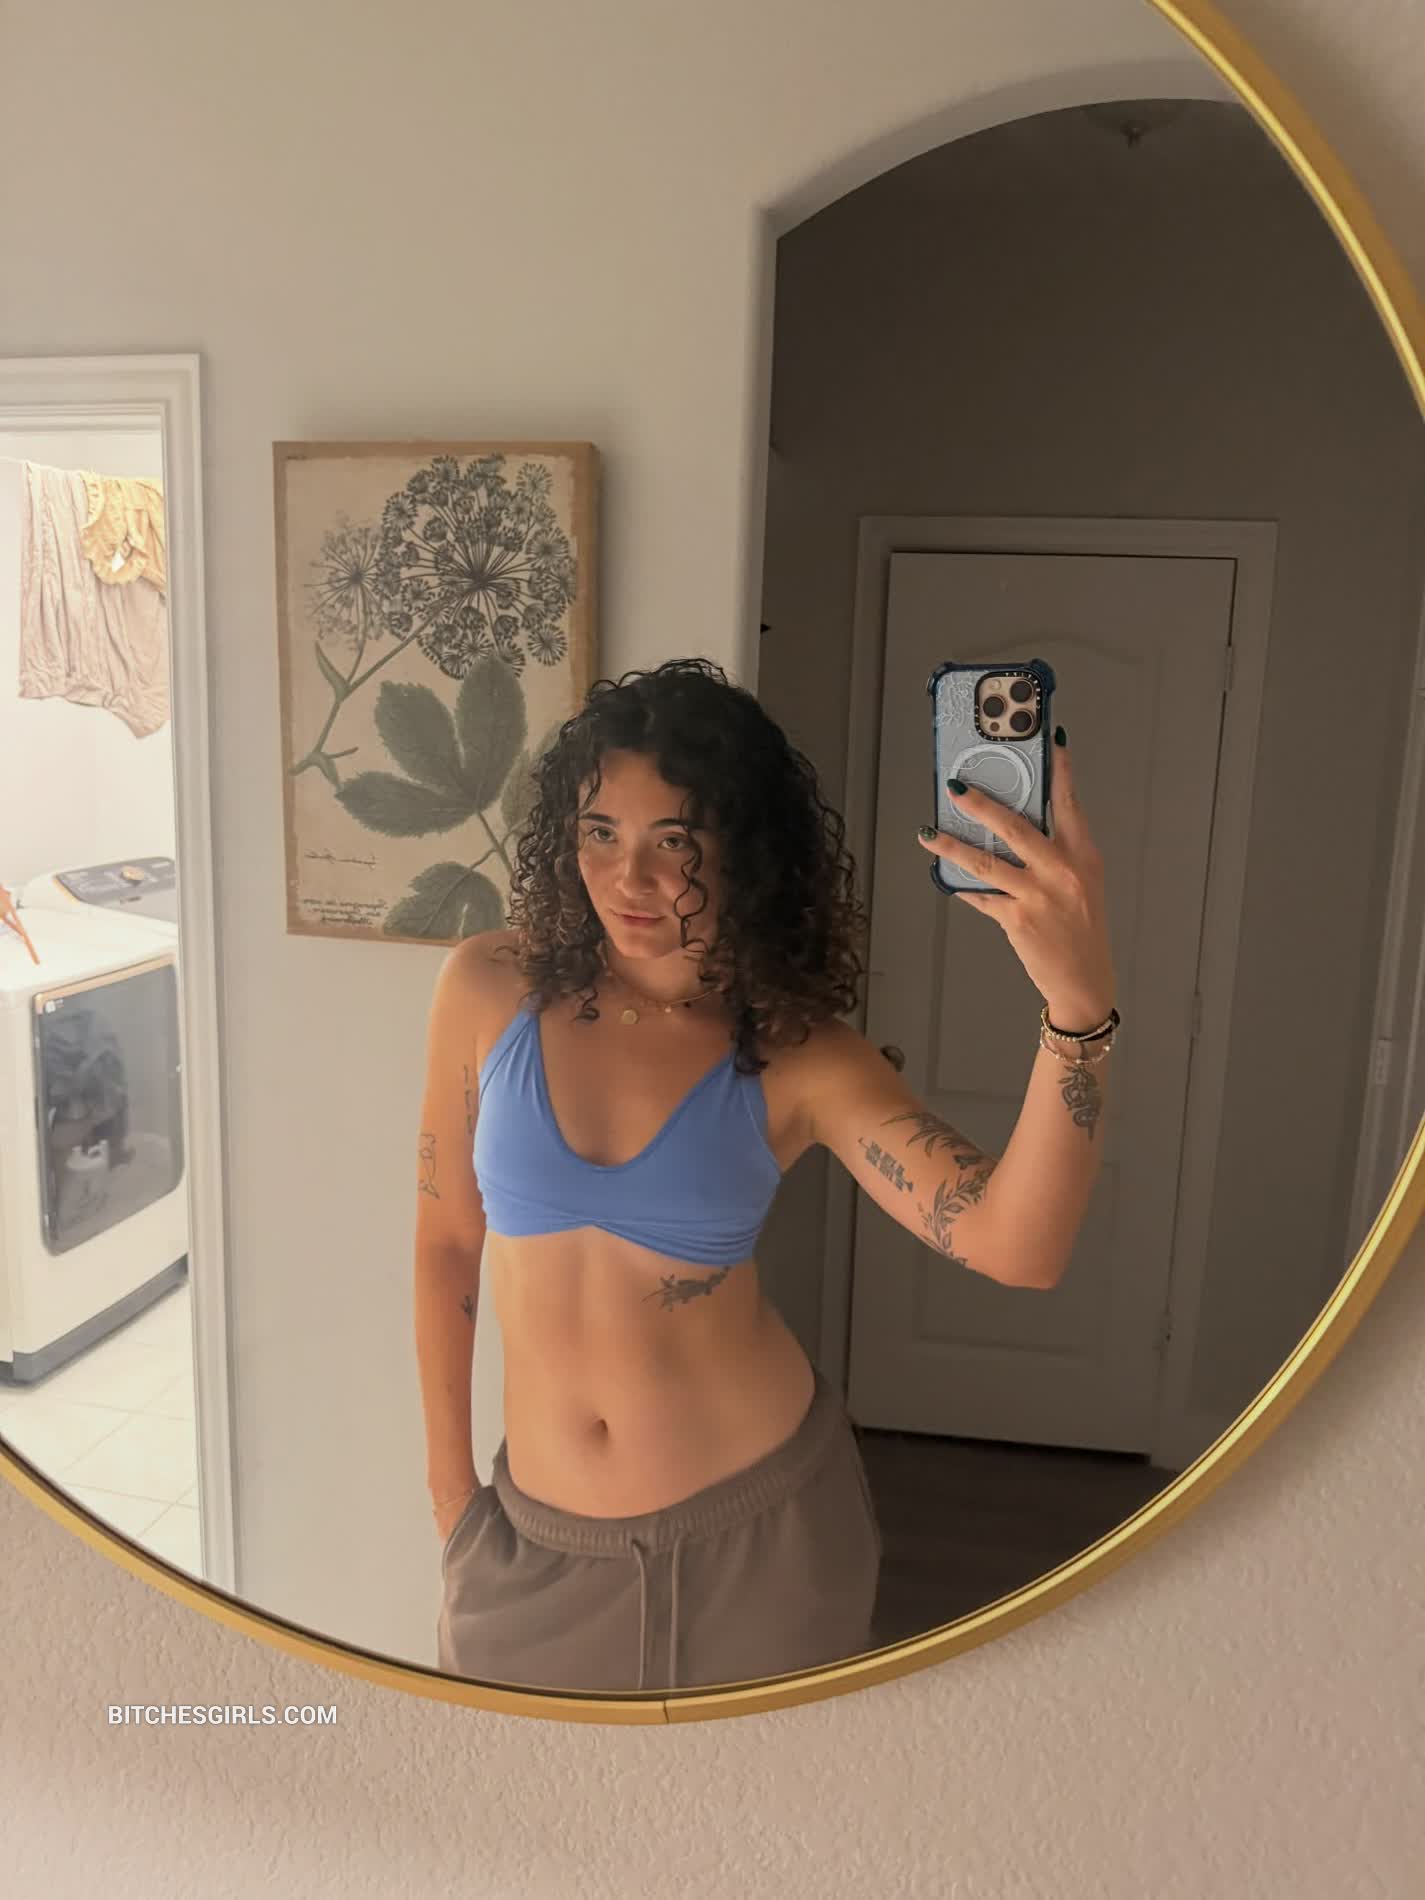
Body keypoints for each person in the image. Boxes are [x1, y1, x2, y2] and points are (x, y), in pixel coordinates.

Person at [415, 656, 1116, 1694]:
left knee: (773, 1799)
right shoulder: (486, 987)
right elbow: (445, 1244)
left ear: (745, 852)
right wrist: (451, 1497)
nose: (628, 879)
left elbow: (1019, 1247)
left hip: (761, 1544)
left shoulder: (798, 1057)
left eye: (675, 842)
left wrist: (1078, 1011)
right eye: (600, 832)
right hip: (530, 1546)